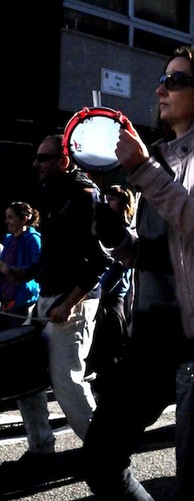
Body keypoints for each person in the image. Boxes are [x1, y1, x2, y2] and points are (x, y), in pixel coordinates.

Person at [81, 45, 194, 500]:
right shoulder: (159, 157)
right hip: (150, 339)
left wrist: (142, 169)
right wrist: (118, 240)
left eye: (176, 80)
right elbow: (160, 254)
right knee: (100, 459)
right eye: (162, 78)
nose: (161, 88)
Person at [12, 135, 109, 466]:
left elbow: (101, 260)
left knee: (66, 380)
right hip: (49, 296)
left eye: (43, 158)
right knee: (25, 374)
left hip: (73, 301)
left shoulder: (85, 196)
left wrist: (70, 302)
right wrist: (23, 275)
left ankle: (104, 456)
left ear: (64, 160)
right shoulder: (54, 193)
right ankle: (41, 447)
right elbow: (55, 252)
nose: (36, 163)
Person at [84, 185, 135, 396]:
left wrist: (102, 289)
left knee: (112, 345)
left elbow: (119, 267)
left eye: (112, 199)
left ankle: (114, 389)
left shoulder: (125, 230)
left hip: (115, 298)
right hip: (103, 295)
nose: (108, 203)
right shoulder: (103, 227)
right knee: (101, 346)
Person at [0, 201, 41, 330]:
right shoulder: (8, 239)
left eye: (11, 217)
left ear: (24, 219)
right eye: (6, 217)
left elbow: (37, 268)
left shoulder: (33, 239)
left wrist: (11, 270)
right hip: (6, 298)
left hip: (22, 300)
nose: (7, 221)